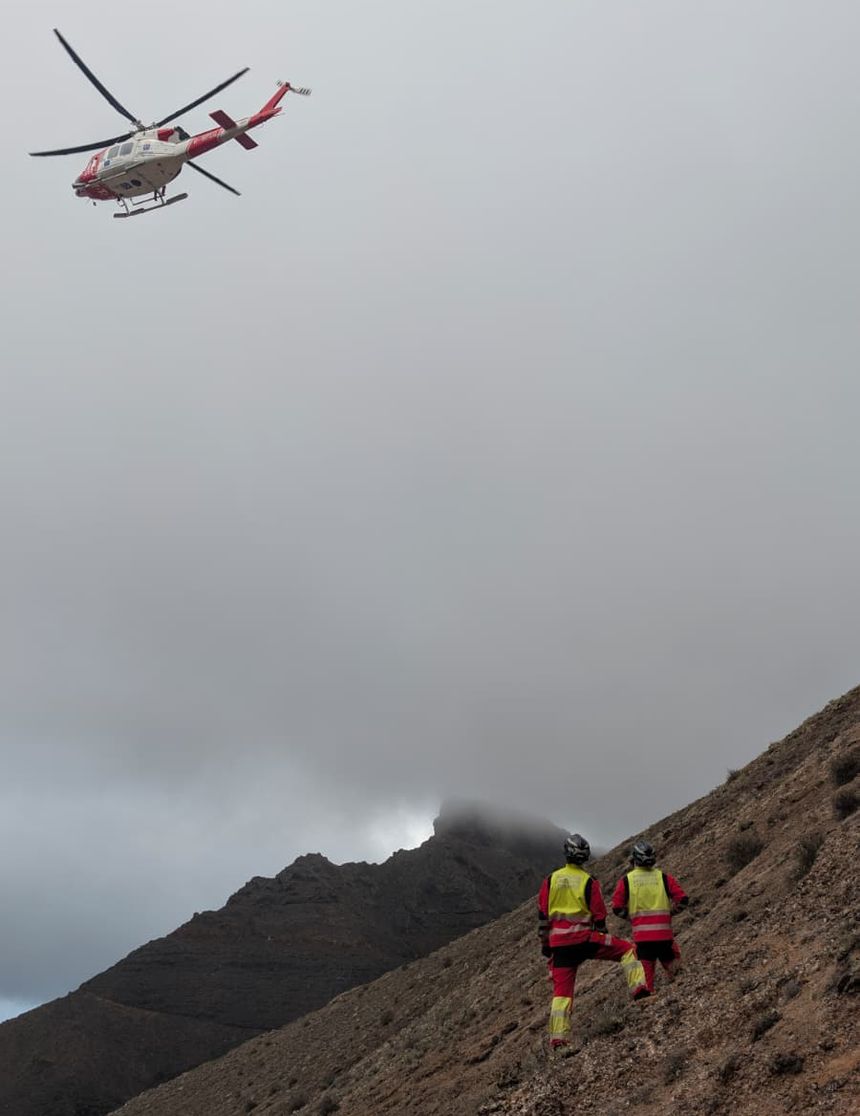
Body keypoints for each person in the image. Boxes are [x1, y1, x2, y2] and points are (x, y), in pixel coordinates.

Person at [538, 834, 650, 1048]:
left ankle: (558, 1040)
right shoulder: (589, 881)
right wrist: (602, 934)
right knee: (627, 949)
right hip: (585, 940)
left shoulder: (550, 881)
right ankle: (639, 989)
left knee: (562, 995)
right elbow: (599, 917)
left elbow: (542, 917)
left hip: (559, 947)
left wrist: (546, 946)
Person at [611, 840, 688, 995]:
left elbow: (616, 907)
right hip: (664, 938)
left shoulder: (627, 881)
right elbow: (683, 900)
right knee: (679, 978)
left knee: (646, 985)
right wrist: (670, 913)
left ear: (634, 859)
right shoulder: (664, 878)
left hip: (643, 940)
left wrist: (631, 918)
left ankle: (649, 1005)